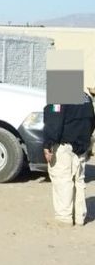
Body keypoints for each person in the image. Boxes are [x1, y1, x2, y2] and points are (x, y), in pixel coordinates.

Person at [43, 92, 95, 226]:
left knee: (62, 180)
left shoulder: (59, 96)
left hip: (63, 147)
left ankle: (64, 218)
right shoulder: (86, 97)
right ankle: (79, 217)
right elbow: (91, 122)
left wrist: (48, 144)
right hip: (81, 147)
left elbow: (54, 123)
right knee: (79, 181)